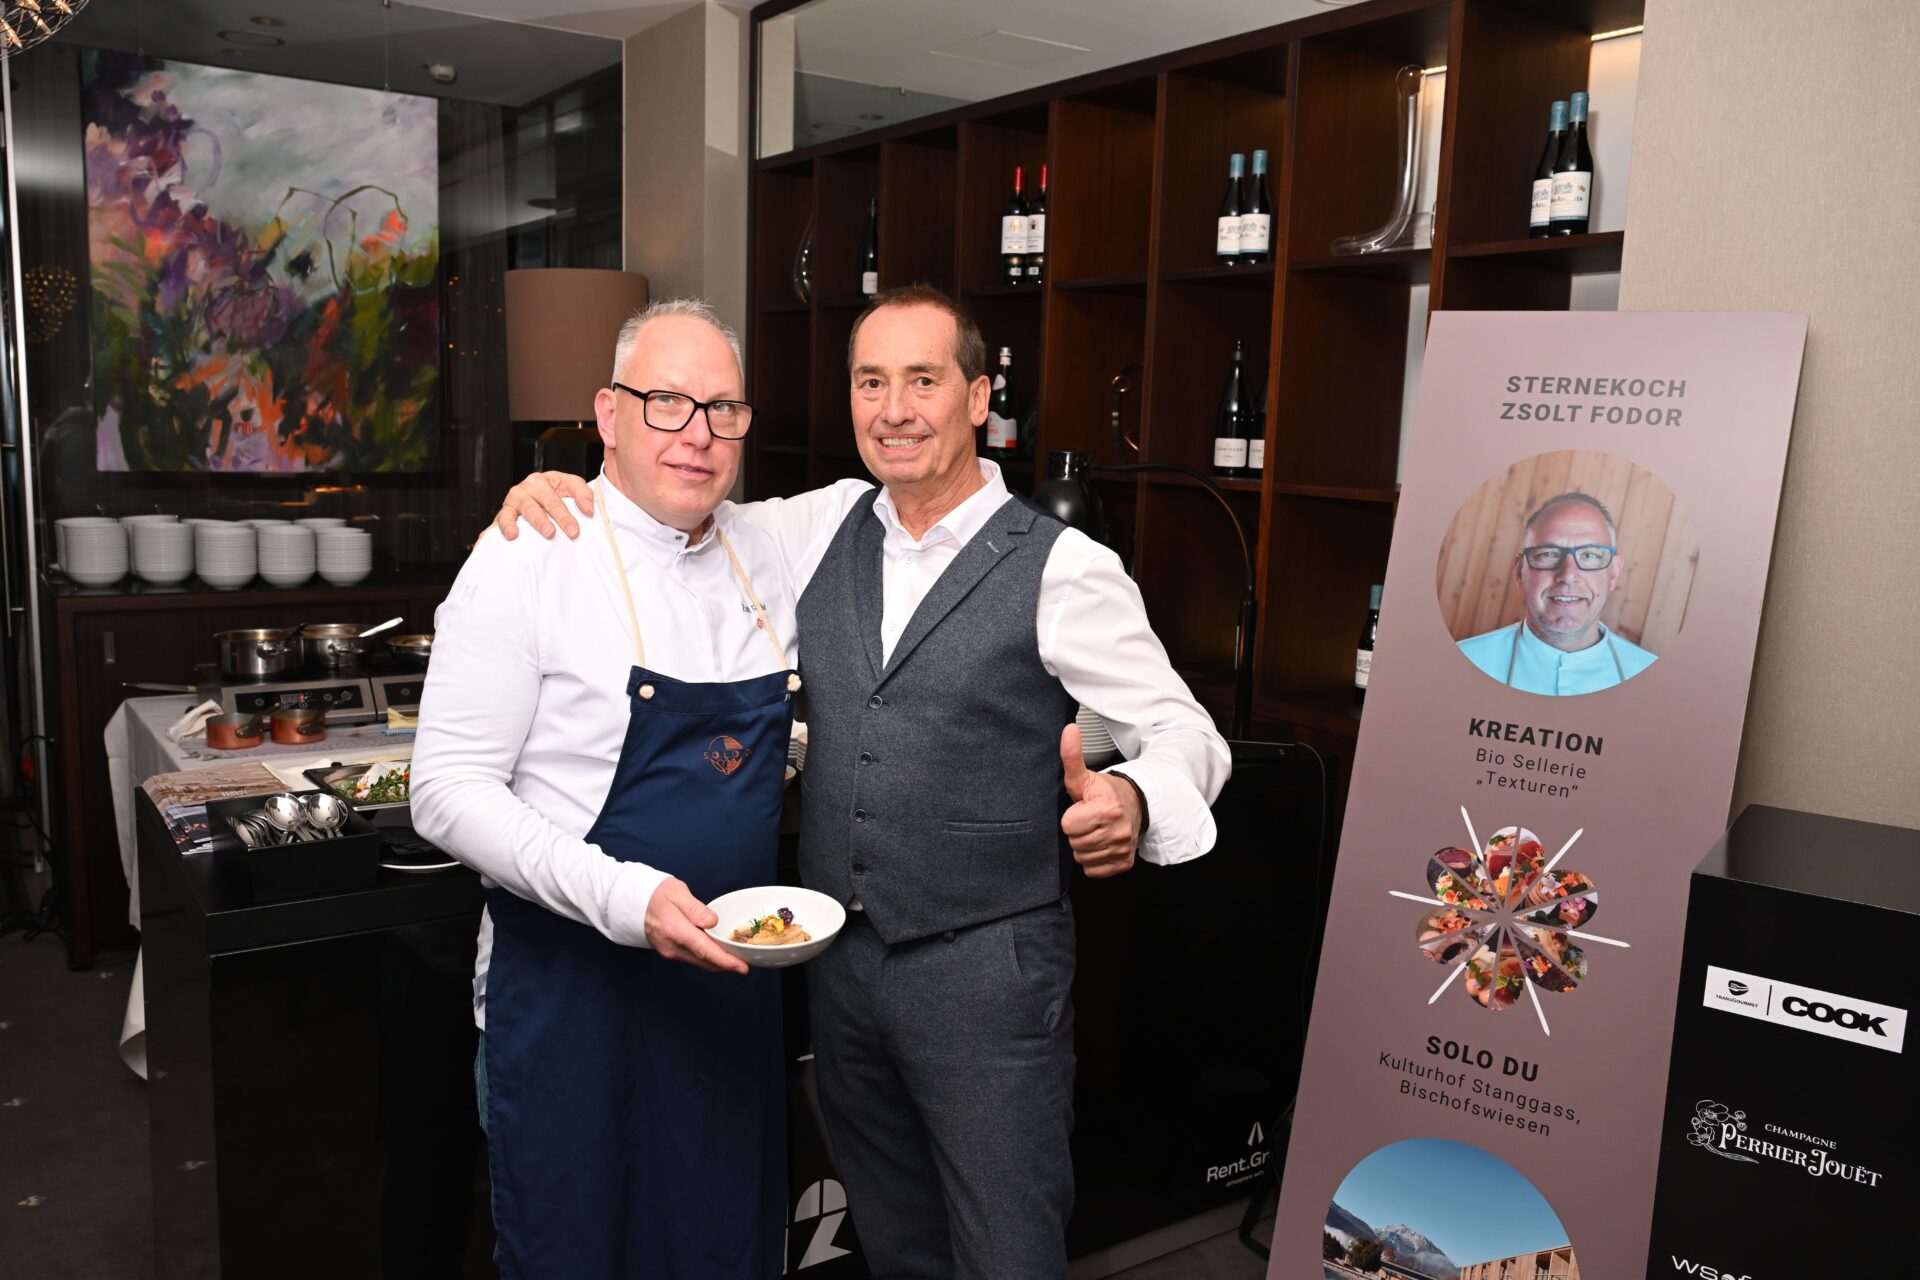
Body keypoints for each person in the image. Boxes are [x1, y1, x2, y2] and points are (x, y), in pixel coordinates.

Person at [492, 284, 1231, 1279]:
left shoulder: (1064, 567)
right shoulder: (817, 526)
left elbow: (1187, 731)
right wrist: (560, 491)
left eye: (923, 380)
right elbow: (669, 506)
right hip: (841, 974)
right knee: (894, 1247)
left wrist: (1135, 797)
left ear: (979, 397)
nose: (894, 409)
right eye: (870, 382)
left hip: (987, 978)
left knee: (1007, 1253)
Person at [410, 299, 799, 1279]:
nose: (697, 433)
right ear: (608, 413)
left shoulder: (770, 549)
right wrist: (627, 896)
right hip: (571, 1012)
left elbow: (913, 498)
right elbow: (446, 789)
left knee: (724, 1251)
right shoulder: (528, 553)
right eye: (666, 402)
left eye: (723, 409)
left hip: (726, 1005)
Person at [1456, 490, 1658, 695]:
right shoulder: (1461, 663)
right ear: (1519, 571)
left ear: (1613, 573)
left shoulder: (1654, 680)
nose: (1568, 575)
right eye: (1548, 554)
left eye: (1589, 555)